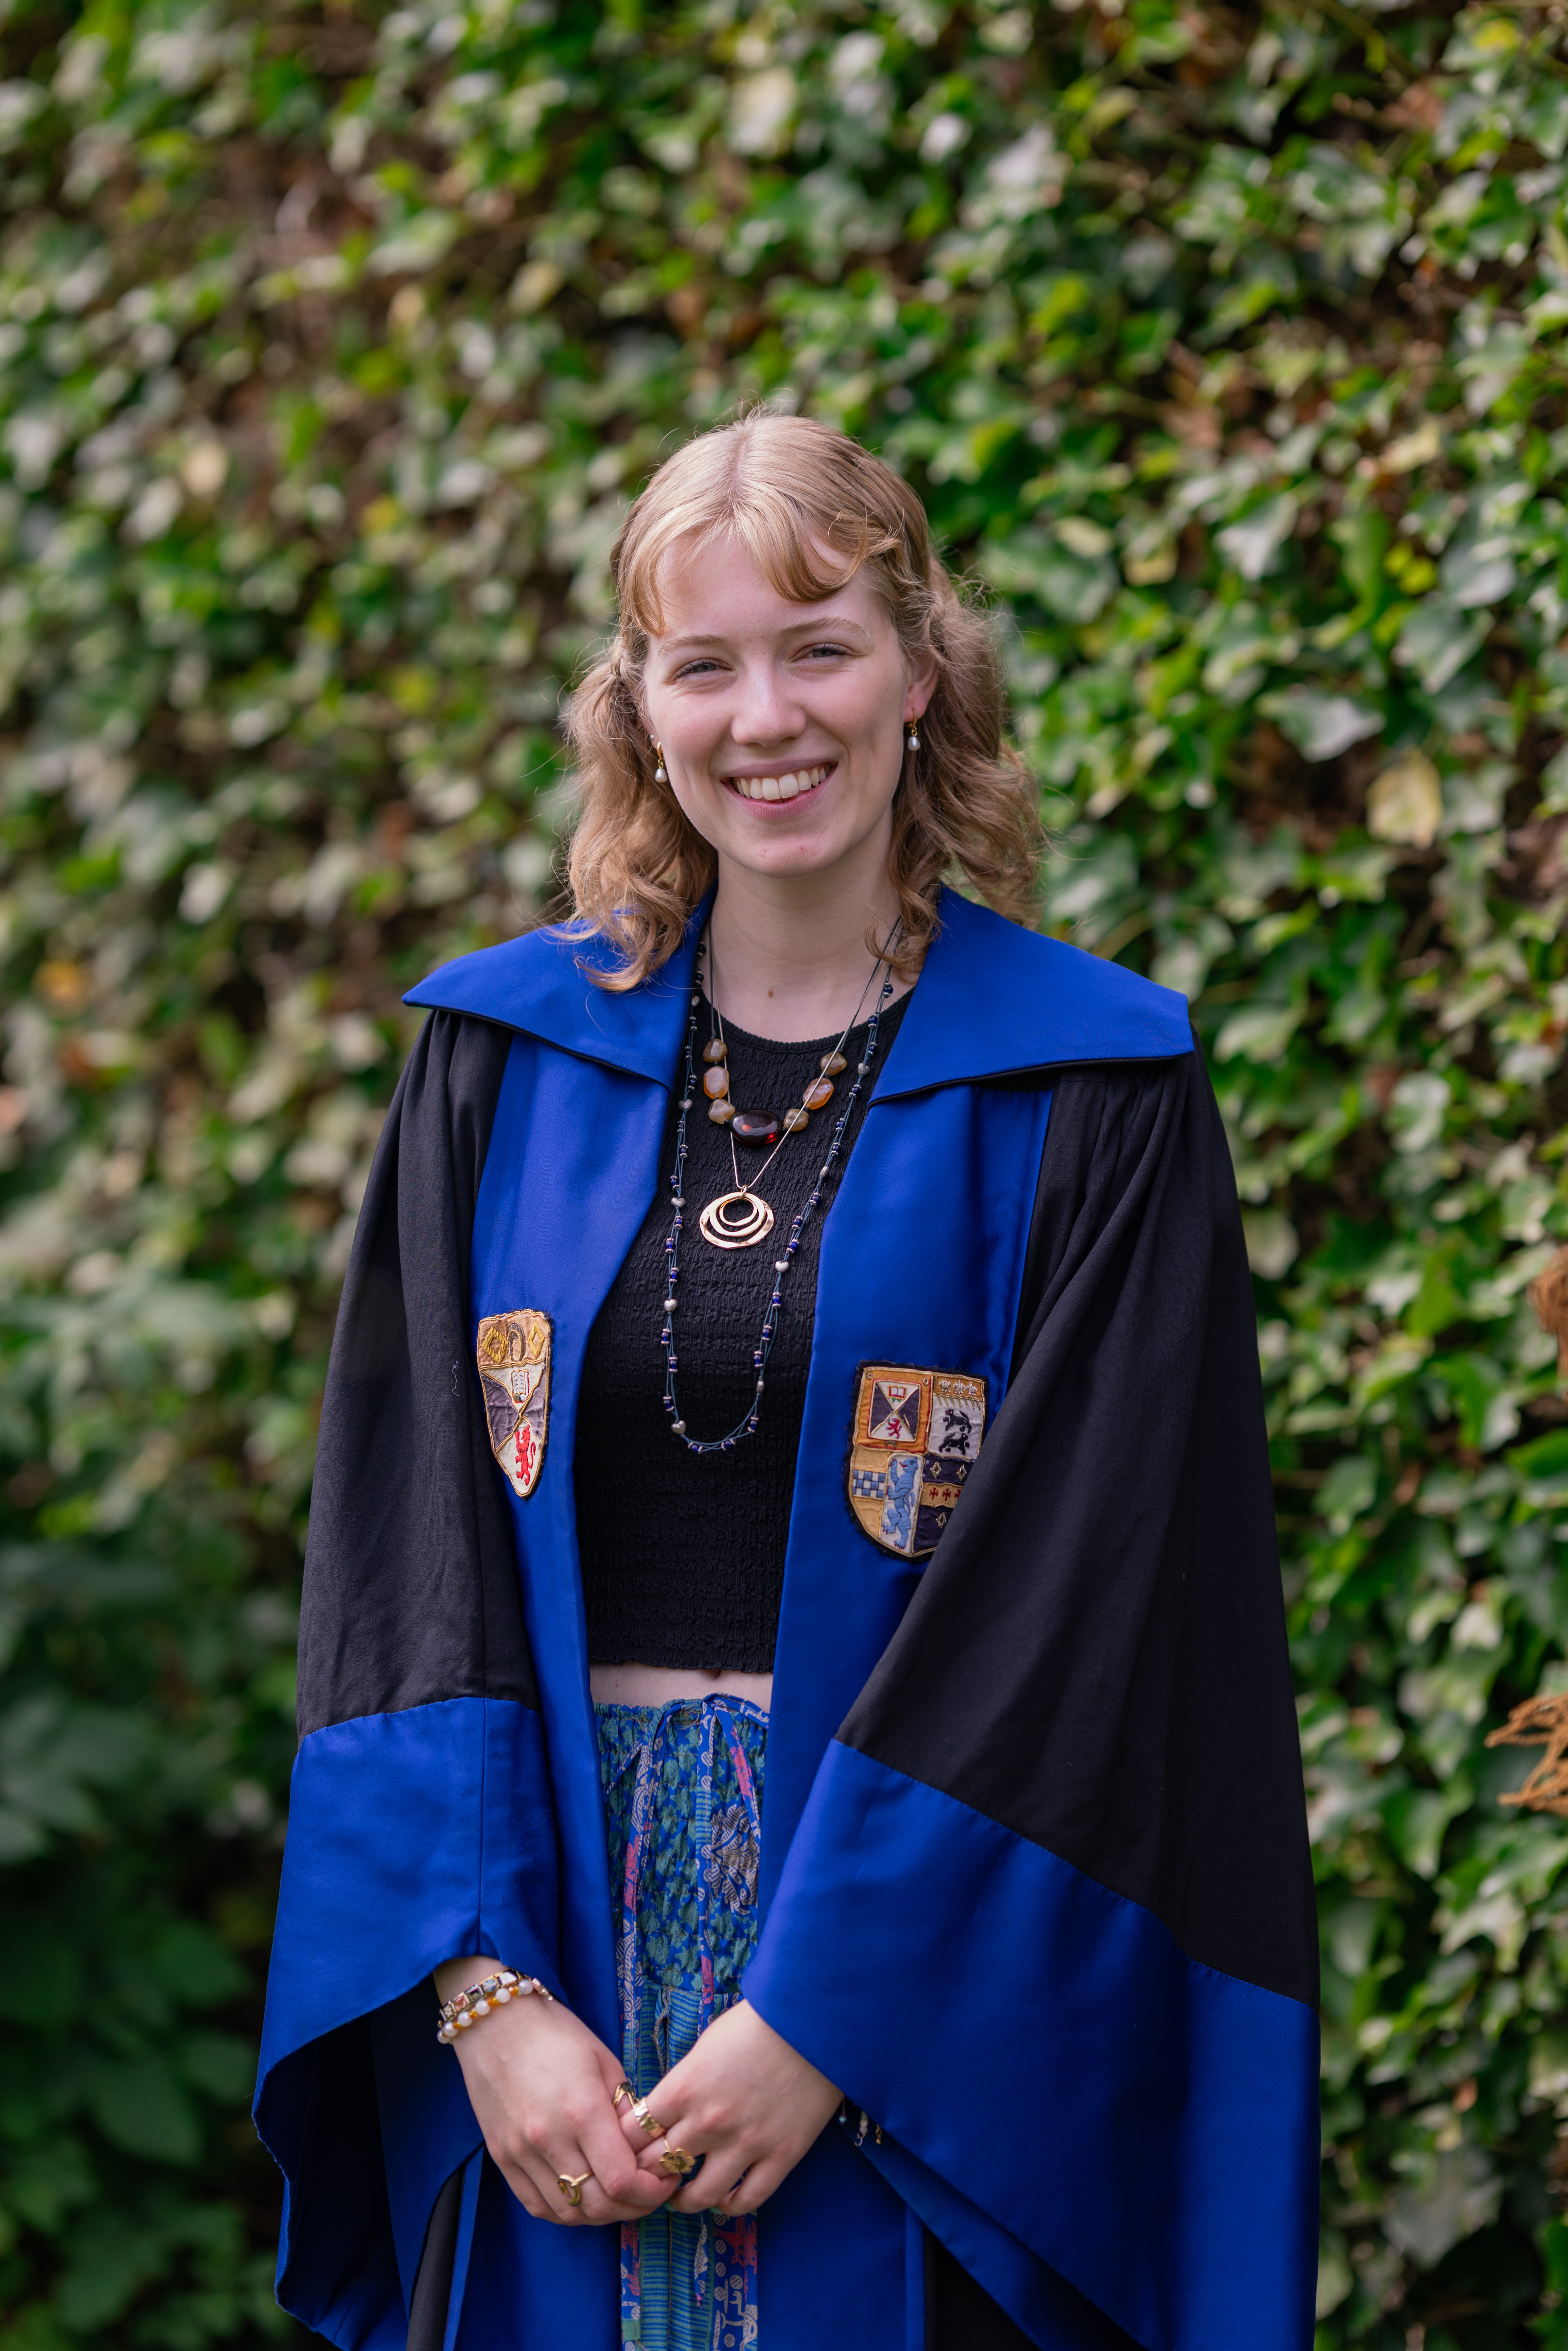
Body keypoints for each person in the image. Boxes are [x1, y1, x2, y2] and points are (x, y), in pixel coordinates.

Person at [256, 412, 1319, 2351]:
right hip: (551, 1942)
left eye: (822, 646)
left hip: (927, 2005)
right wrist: (481, 1995)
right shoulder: (496, 1066)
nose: (771, 716)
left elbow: (1088, 1608)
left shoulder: (1092, 1091)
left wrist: (829, 2009)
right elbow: (407, 1556)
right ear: (638, 710)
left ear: (924, 674)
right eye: (705, 662)